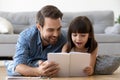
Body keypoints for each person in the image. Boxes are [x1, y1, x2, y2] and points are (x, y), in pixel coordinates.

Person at [5, 5, 67, 77]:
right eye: (50, 30)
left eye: (58, 29)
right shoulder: (25, 37)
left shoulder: (65, 37)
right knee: (15, 70)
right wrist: (38, 71)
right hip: (28, 63)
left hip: (46, 65)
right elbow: (19, 66)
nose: (56, 34)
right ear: (39, 27)